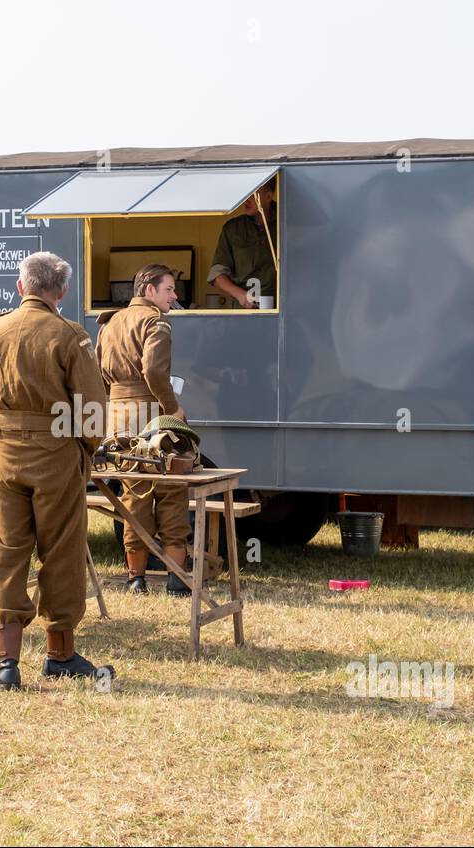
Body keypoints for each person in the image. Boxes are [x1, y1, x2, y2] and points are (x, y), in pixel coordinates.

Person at [0, 251, 113, 689]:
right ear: (63, 292)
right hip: (55, 453)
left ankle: (6, 664)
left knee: (7, 550)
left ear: (21, 287)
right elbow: (92, 408)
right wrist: (86, 453)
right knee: (61, 552)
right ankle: (59, 654)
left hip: (3, 450)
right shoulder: (69, 335)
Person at [95, 263, 191, 596]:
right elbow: (153, 370)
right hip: (153, 417)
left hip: (119, 417)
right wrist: (171, 408)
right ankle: (177, 579)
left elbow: (99, 373)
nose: (174, 296)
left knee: (134, 495)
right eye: (169, 289)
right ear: (149, 290)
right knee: (171, 491)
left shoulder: (109, 323)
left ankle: (136, 578)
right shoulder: (156, 322)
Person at [207, 178, 277, 309]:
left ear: (268, 196)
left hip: (282, 310)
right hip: (243, 311)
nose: (246, 200)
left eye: (253, 195)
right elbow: (217, 274)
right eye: (245, 194)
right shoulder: (232, 228)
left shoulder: (287, 223)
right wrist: (240, 295)